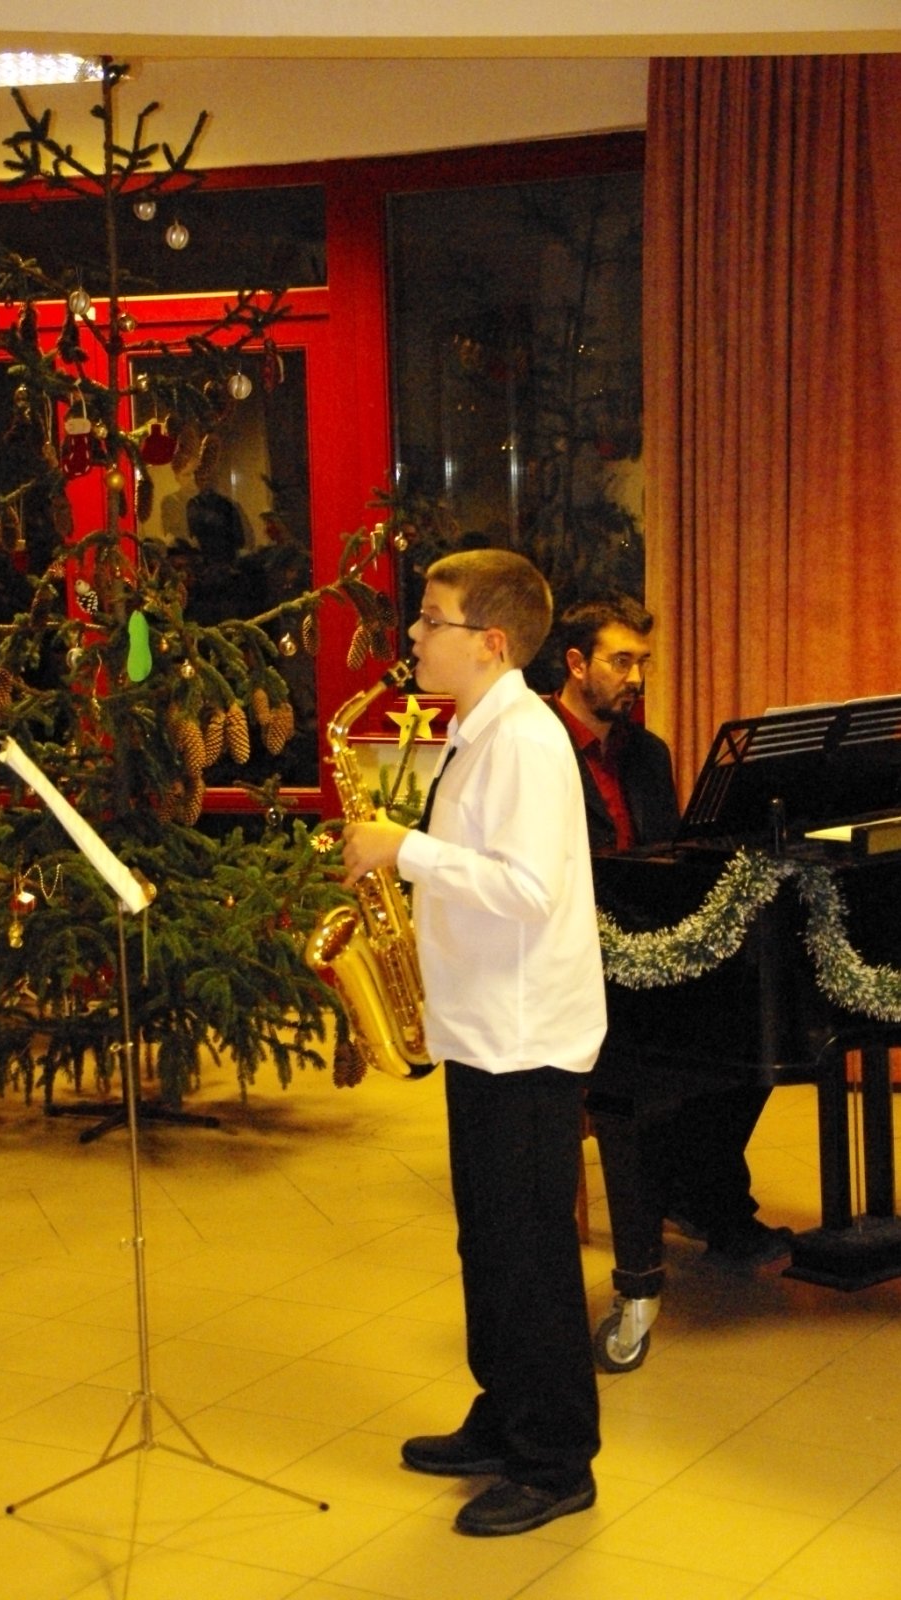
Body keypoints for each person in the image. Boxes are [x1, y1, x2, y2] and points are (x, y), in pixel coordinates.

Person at [341, 549, 606, 1538]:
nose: (413, 634)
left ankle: (554, 1461)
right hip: (484, 1029)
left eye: (431, 618)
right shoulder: (476, 728)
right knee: (488, 1239)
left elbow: (527, 889)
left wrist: (402, 849)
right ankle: (503, 1414)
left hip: (524, 1039)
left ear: (489, 642)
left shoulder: (525, 743)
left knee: (529, 1251)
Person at [548, 594, 792, 1264]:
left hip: (649, 945)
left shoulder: (647, 753)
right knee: (665, 1056)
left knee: (755, 1033)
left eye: (643, 662)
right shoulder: (539, 747)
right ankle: (703, 1208)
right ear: (576, 663)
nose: (635, 677)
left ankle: (698, 1194)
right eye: (620, 661)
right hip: (573, 960)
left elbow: (670, 857)